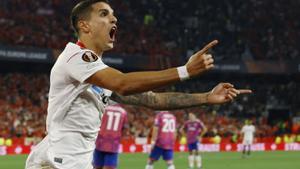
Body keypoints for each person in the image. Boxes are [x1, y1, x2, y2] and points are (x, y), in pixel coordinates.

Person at [25, 0, 252, 168]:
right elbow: (123, 83)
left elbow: (153, 99)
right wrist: (184, 71)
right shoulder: (76, 57)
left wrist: (205, 98)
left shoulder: (97, 72)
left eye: (113, 15)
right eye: (104, 14)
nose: (114, 19)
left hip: (69, 158)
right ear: (85, 26)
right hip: (61, 159)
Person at [93, 104, 128, 169]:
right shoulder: (123, 112)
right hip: (113, 144)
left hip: (100, 142)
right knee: (110, 167)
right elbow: (125, 129)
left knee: (96, 166)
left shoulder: (104, 108)